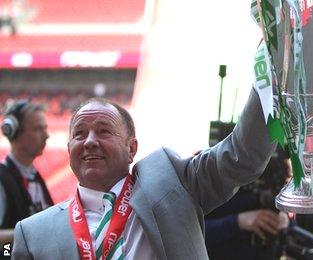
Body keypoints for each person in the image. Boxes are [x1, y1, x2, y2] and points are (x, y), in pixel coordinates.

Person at [10, 88, 276, 259]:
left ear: (131, 148)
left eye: (104, 131)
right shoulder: (32, 234)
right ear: (69, 149)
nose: (89, 141)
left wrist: (269, 78)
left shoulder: (174, 185)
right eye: (79, 134)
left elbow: (241, 157)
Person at [204, 151, 290, 260]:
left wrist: (284, 220)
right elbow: (186, 233)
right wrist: (238, 221)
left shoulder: (277, 169)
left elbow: (292, 226)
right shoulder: (211, 170)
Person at [0, 100, 51, 245]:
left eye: (45, 128)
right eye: (38, 129)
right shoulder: (2, 179)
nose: (46, 135)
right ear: (14, 132)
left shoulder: (35, 177)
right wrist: (29, 232)